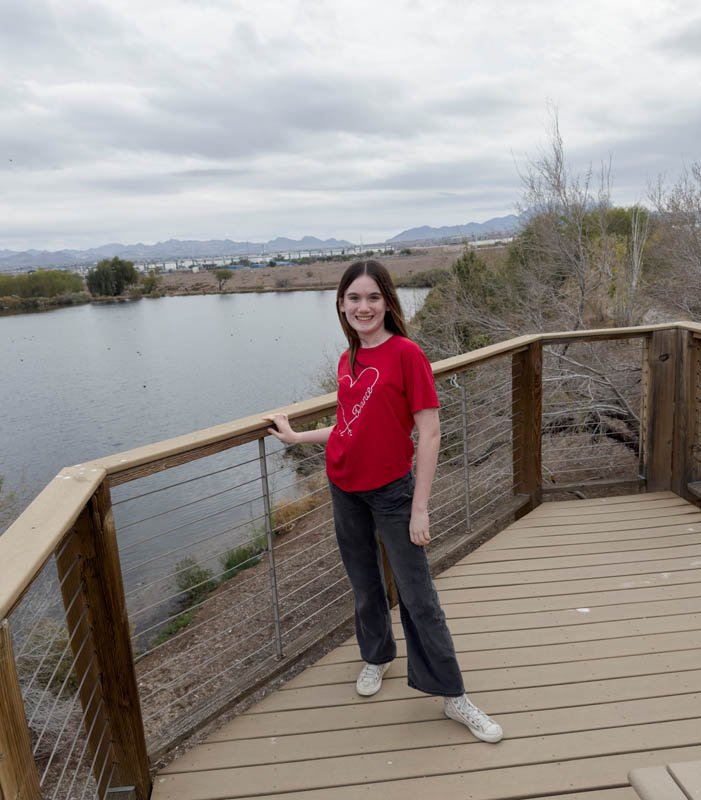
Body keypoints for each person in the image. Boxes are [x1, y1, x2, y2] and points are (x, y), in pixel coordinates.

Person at [264, 259, 502, 743]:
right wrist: (296, 437)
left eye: (373, 297)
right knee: (364, 582)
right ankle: (376, 656)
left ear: (387, 302)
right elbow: (348, 427)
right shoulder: (348, 359)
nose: (364, 307)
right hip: (343, 486)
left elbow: (430, 433)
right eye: (354, 298)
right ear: (341, 304)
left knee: (418, 595)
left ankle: (453, 695)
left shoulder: (406, 355)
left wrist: (420, 507)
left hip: (394, 493)